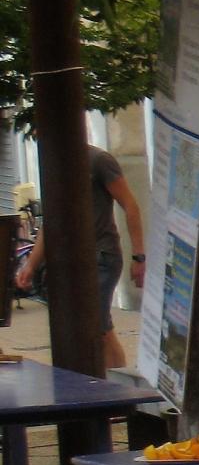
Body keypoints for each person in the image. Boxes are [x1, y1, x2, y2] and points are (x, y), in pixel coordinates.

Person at [14, 144, 146, 371]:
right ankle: (120, 385)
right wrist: (30, 265)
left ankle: (105, 389)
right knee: (102, 328)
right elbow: (50, 223)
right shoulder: (54, 168)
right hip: (74, 262)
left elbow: (130, 205)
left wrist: (139, 256)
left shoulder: (99, 161)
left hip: (102, 257)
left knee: (92, 325)